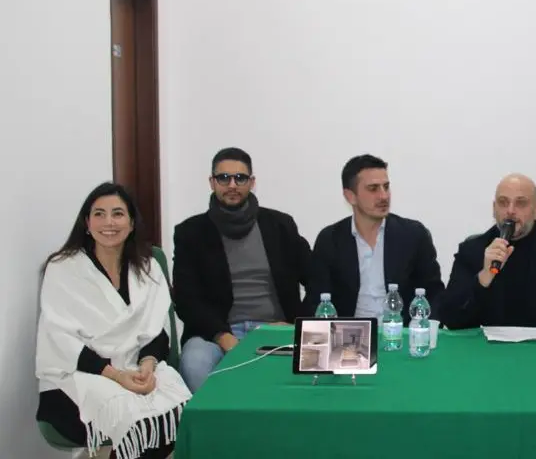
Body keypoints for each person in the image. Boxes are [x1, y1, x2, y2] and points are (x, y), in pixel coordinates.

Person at [36, 183, 190, 459]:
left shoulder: (148, 266)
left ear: (131, 223)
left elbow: (158, 329)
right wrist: (117, 376)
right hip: (77, 378)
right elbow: (60, 339)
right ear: (87, 223)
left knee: (182, 413)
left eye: (118, 214)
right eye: (99, 214)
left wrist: (146, 368)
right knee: (140, 423)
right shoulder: (63, 268)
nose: (109, 222)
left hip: (137, 367)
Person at [173, 147, 311, 392]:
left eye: (240, 178)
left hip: (274, 328)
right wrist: (223, 336)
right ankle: (218, 419)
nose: (232, 185)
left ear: (252, 182)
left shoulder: (280, 225)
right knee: (194, 363)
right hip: (216, 334)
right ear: (212, 182)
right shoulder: (190, 232)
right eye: (223, 178)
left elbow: (316, 277)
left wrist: (297, 324)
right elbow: (186, 299)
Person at [437, 173, 536, 337]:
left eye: (521, 203)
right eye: (503, 202)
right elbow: (451, 318)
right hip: (487, 348)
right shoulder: (472, 250)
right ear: (494, 209)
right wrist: (484, 277)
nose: (510, 211)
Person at [305, 154, 444, 321]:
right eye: (373, 189)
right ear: (350, 196)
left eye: (386, 187)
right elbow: (316, 300)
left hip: (400, 331)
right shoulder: (330, 239)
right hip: (350, 333)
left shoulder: (413, 235)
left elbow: (434, 294)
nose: (384, 196)